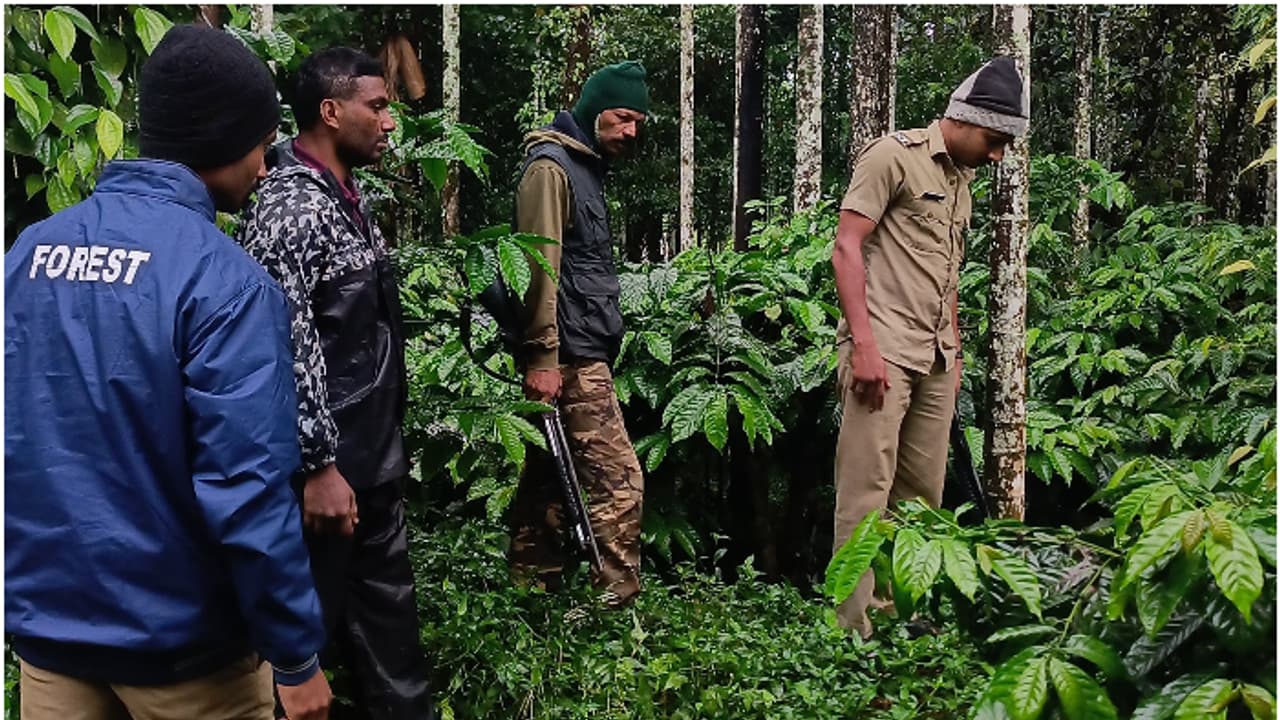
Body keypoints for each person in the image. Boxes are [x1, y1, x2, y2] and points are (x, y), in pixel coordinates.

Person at [4, 24, 331, 720]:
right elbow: (247, 489)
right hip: (186, 658)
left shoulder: (28, 255)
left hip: (49, 641)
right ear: (221, 141)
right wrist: (296, 656)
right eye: (261, 143)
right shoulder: (224, 282)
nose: (265, 167)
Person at [237, 47, 433, 720]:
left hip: (371, 462)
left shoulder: (345, 195)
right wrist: (319, 464)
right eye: (376, 107)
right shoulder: (289, 208)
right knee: (300, 650)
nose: (389, 123)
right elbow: (282, 344)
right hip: (322, 483)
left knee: (391, 641)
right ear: (330, 111)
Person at [830, 56, 1028, 638]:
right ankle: (853, 630)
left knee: (921, 496)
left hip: (936, 357)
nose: (997, 157)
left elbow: (948, 273)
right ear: (964, 120)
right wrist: (863, 345)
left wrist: (956, 350)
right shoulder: (891, 157)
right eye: (994, 141)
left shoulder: (961, 180)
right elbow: (846, 247)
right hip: (883, 348)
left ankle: (900, 619)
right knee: (866, 491)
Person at [507, 61, 649, 607]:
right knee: (619, 482)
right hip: (567, 356)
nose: (630, 132)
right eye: (622, 118)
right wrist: (542, 358)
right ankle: (615, 609)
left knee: (547, 483)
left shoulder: (585, 168)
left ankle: (529, 595)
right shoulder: (551, 168)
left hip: (580, 347)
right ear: (593, 111)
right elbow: (538, 267)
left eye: (638, 123)